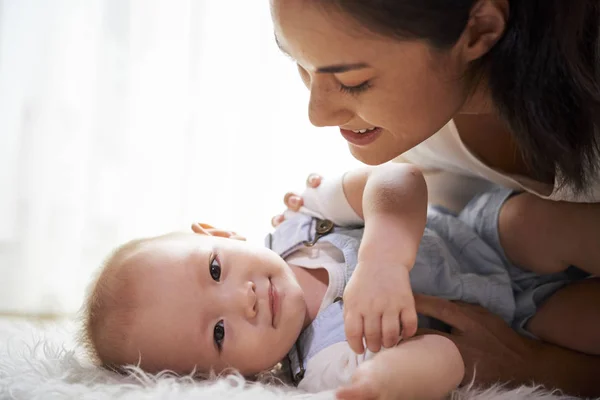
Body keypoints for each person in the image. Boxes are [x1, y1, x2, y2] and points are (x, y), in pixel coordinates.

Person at [268, 0, 600, 394]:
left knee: (532, 224)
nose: (317, 114)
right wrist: (533, 365)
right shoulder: (410, 129)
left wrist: (382, 258)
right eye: (300, 65)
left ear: (478, 31)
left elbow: (393, 187)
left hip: (495, 239)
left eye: (354, 81)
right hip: (519, 312)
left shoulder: (300, 234)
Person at [81, 164, 600, 399]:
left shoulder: (302, 217)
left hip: (486, 239)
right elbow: (448, 356)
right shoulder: (324, 364)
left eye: (216, 270)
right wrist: (386, 383)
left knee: (540, 224)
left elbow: (396, 179)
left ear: (219, 232)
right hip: (523, 324)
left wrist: (381, 261)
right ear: (231, 377)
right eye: (219, 333)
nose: (243, 300)